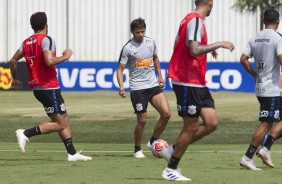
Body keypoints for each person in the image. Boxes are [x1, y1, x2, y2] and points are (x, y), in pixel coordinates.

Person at [163, 0, 234, 181]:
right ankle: (171, 168)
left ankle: (173, 149)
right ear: (210, 3)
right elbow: (194, 50)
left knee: (211, 122)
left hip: (197, 81)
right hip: (188, 80)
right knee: (191, 126)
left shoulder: (188, 20)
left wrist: (207, 50)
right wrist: (219, 44)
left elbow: (180, 47)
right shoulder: (195, 20)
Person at [9, 12, 92, 161]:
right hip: (48, 87)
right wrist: (66, 56)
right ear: (46, 25)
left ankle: (72, 154)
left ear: (32, 26)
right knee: (60, 124)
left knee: (64, 118)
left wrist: (15, 79)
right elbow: (49, 61)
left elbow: (13, 61)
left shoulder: (26, 43)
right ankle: (25, 133)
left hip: (41, 88)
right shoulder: (47, 40)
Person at [116, 18, 171, 158]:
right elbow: (120, 69)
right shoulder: (128, 48)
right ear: (132, 32)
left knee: (166, 114)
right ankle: (137, 149)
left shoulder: (150, 42)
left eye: (142, 31)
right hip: (138, 88)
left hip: (153, 84)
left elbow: (155, 58)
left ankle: (152, 141)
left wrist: (160, 76)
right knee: (142, 120)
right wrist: (122, 87)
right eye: (137, 32)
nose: (140, 34)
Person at [239, 8, 282, 170]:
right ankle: (248, 157)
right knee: (266, 123)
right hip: (270, 88)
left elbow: (243, 59)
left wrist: (254, 74)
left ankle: (265, 148)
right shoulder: (278, 38)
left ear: (264, 21)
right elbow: (280, 57)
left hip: (260, 86)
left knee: (276, 118)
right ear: (278, 21)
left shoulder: (255, 38)